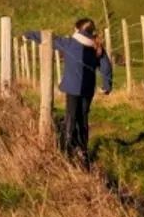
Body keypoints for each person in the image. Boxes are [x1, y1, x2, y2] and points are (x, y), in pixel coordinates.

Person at [23, 18, 112, 161]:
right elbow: (106, 66)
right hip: (88, 89)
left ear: (78, 30)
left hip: (72, 88)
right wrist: (107, 86)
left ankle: (67, 150)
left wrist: (28, 34)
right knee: (83, 117)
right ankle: (82, 149)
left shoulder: (70, 43)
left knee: (70, 116)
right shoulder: (97, 46)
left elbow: (50, 39)